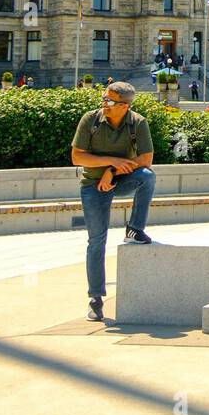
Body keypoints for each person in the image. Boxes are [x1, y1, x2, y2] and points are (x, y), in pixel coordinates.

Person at [70, 81, 156, 322]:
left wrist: (113, 172)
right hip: (93, 186)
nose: (104, 103)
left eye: (109, 100)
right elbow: (77, 157)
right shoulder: (91, 119)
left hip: (120, 180)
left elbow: (146, 158)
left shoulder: (137, 122)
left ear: (124, 106)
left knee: (147, 177)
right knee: (96, 241)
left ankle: (135, 229)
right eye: (104, 98)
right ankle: (96, 299)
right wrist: (111, 162)